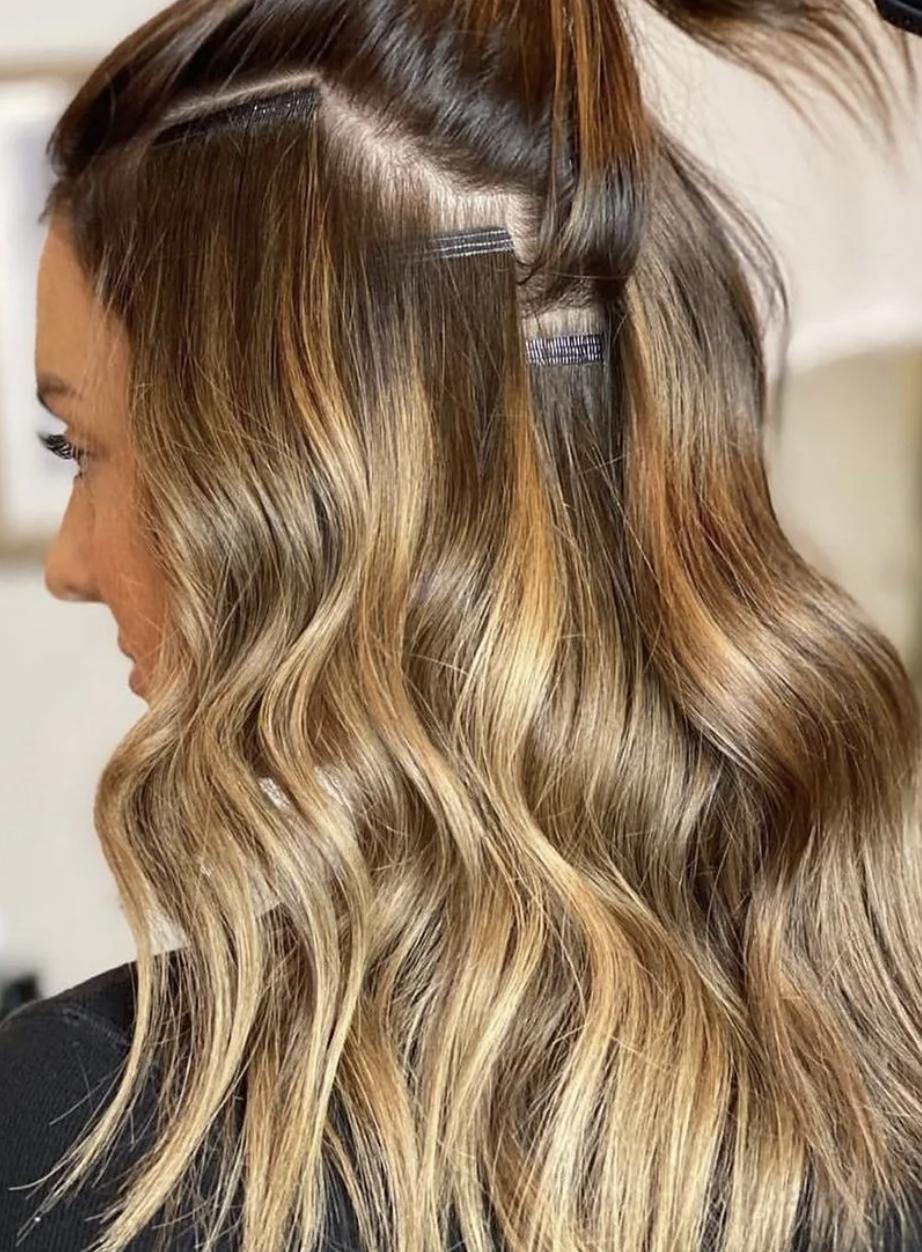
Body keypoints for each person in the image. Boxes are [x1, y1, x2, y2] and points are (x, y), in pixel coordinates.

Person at [2, 0, 922, 1249]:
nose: (68, 564)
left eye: (86, 449)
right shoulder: (879, 1065)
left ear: (300, 494)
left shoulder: (81, 1141)